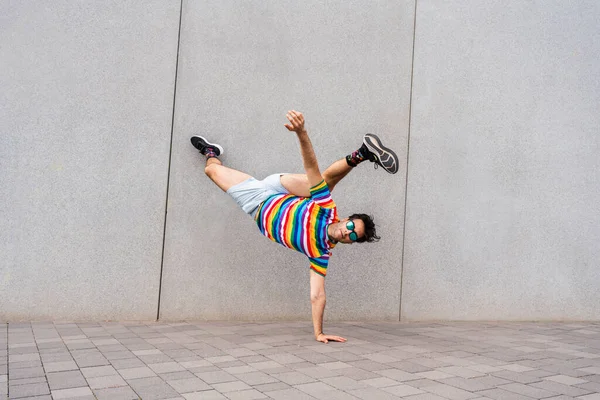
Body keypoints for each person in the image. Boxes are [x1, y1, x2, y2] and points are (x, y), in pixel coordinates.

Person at [190, 110, 399, 343]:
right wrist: (301, 132)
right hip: (279, 189)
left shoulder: (321, 252)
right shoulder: (326, 208)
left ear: (350, 242)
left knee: (211, 169)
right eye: (351, 225)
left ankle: (211, 152)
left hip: (257, 203)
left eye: (352, 235)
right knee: (320, 184)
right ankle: (362, 153)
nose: (347, 231)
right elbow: (311, 166)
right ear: (345, 218)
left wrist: (318, 332)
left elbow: (317, 294)